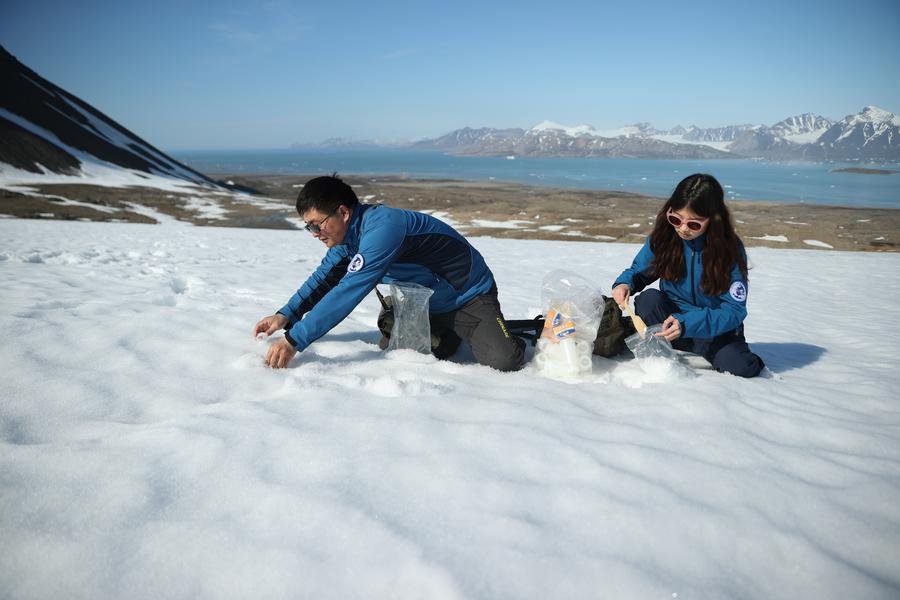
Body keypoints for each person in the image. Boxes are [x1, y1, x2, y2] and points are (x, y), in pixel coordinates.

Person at [253, 175, 525, 372]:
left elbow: (348, 290)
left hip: (469, 297)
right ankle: (452, 335)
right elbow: (324, 279)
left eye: (317, 225)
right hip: (425, 304)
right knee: (408, 354)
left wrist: (294, 340)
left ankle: (506, 329)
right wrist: (286, 314)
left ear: (343, 212)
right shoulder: (347, 240)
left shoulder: (383, 229)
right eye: (309, 228)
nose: (315, 234)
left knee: (504, 361)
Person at [610, 173, 765, 377]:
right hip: (671, 324)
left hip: (712, 329)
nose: (682, 229)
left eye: (694, 224)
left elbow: (734, 310)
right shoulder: (664, 237)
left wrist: (687, 324)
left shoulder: (729, 250)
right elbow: (639, 272)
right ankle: (673, 344)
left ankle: (705, 349)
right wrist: (625, 284)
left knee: (741, 366)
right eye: (676, 218)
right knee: (648, 301)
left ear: (713, 219)